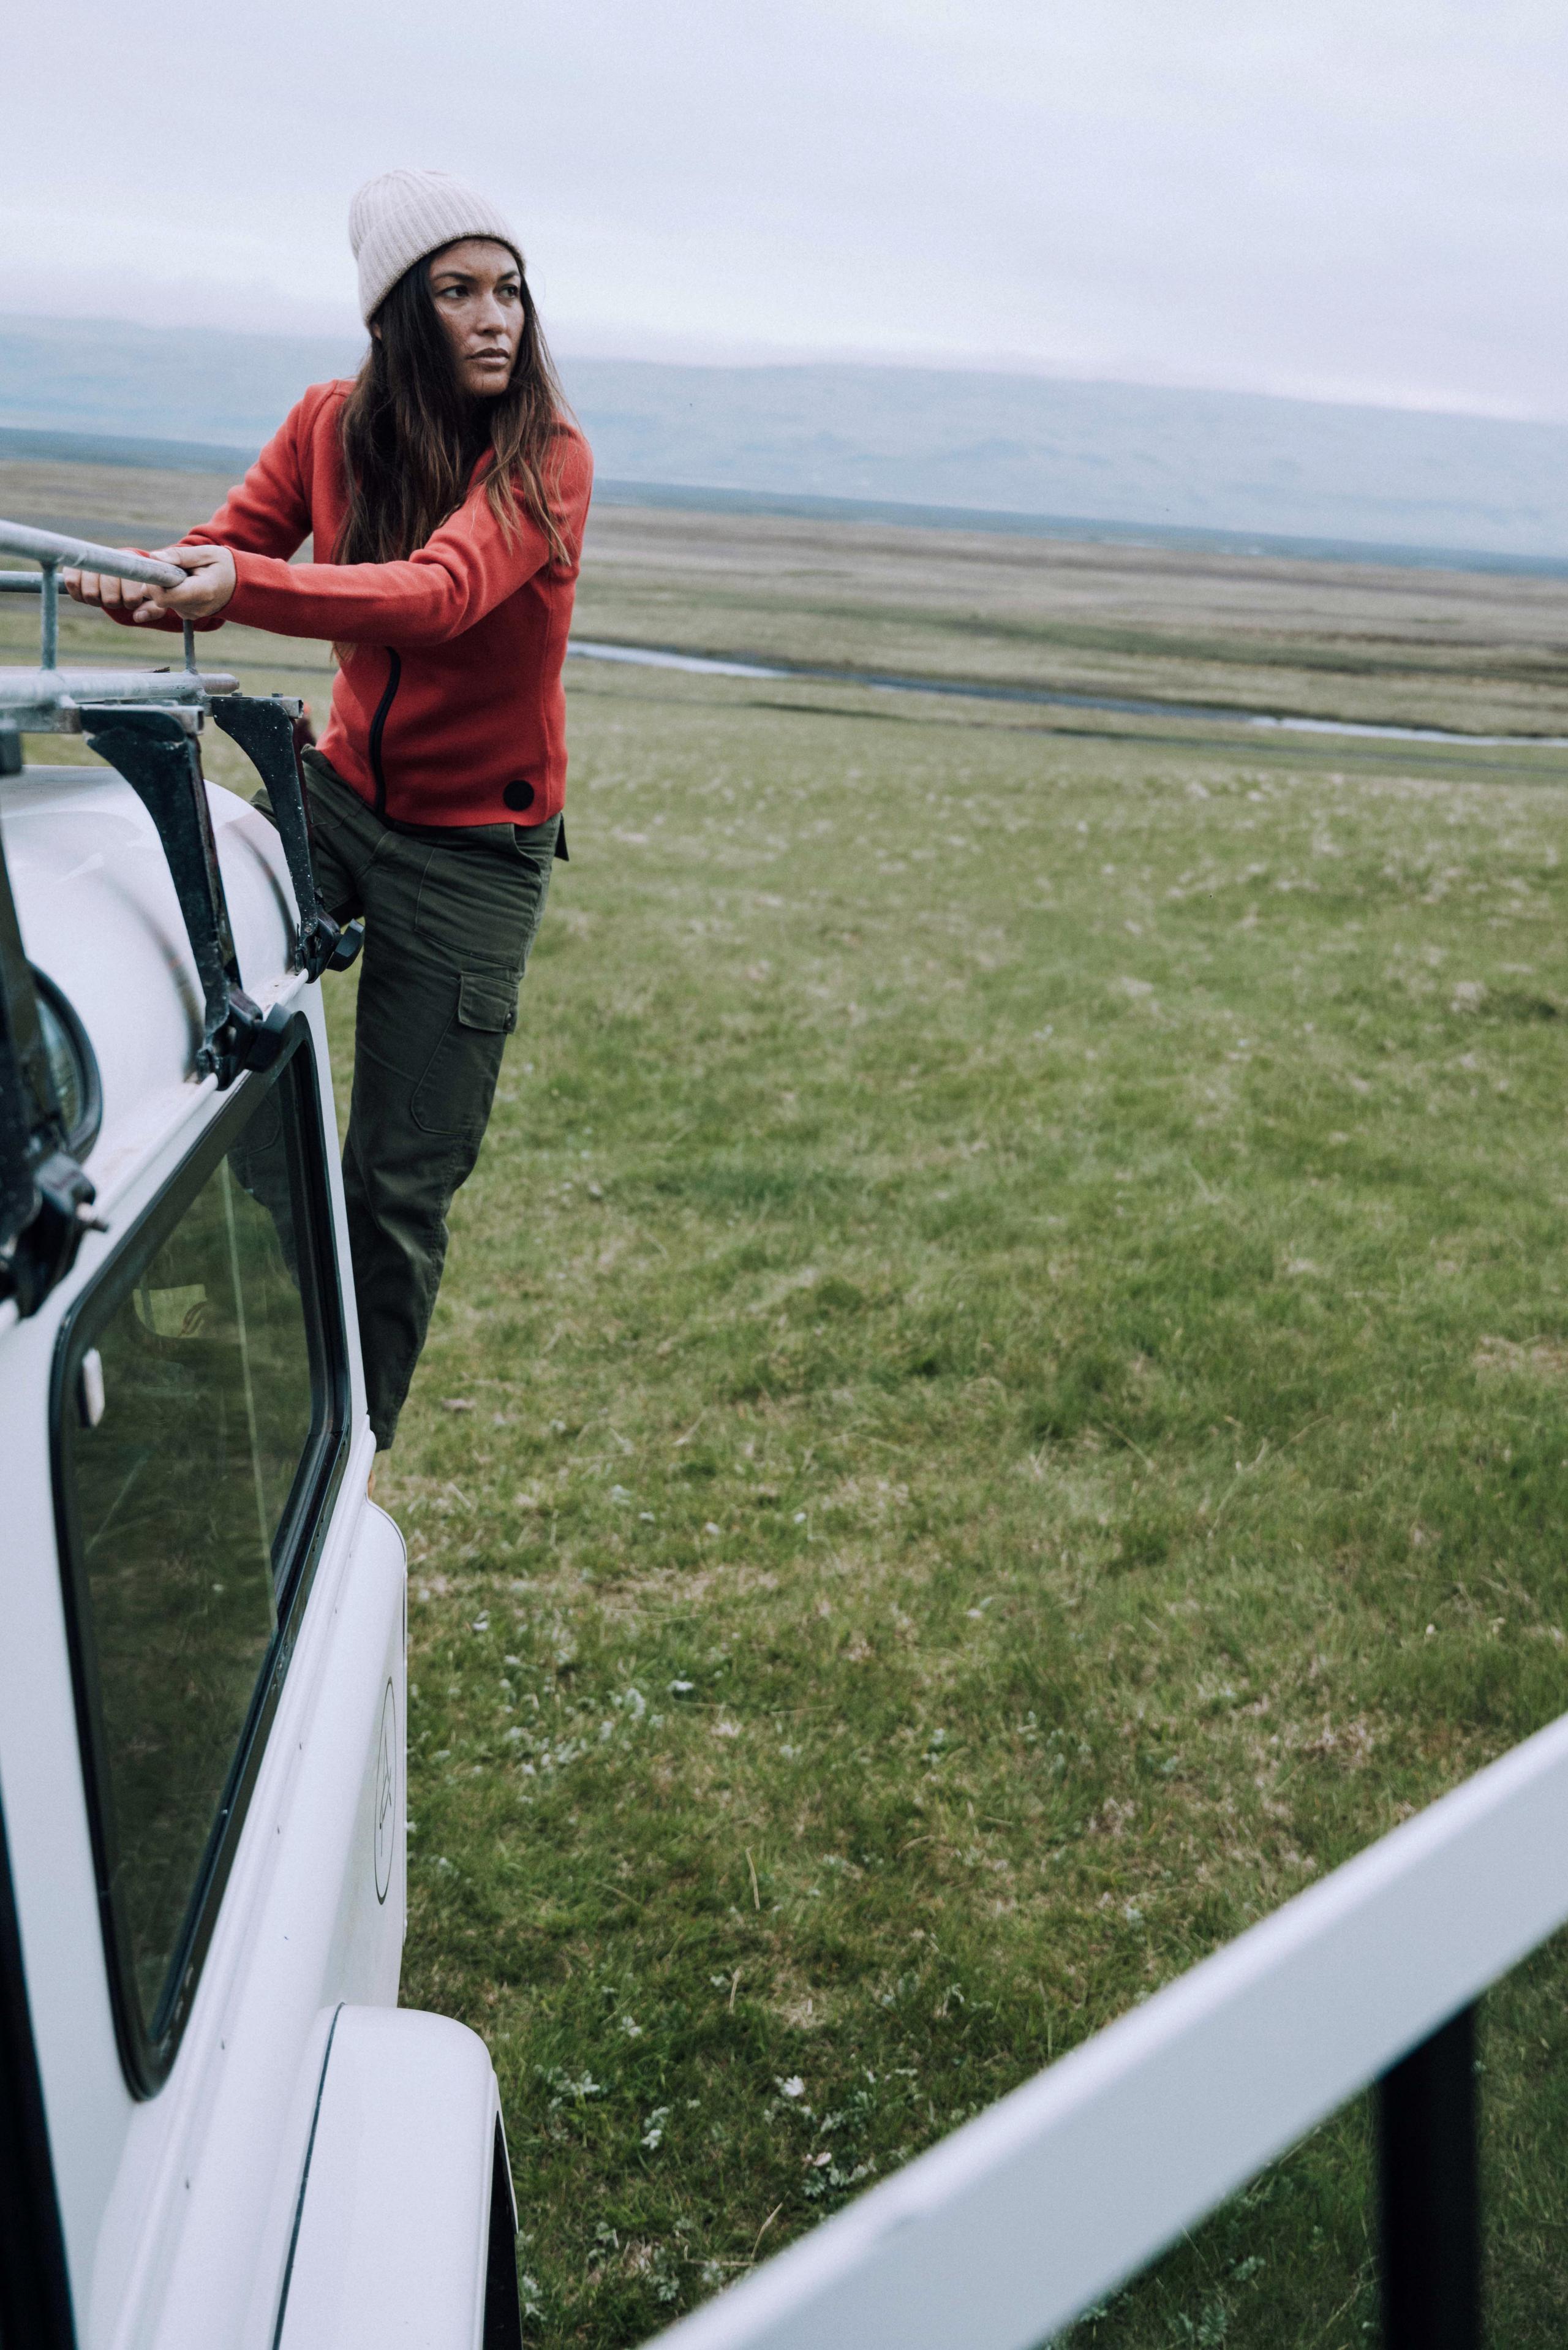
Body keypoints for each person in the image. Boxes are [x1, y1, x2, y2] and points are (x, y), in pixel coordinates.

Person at [65, 168, 594, 1457]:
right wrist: (141, 587)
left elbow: (436, 594)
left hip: (476, 858)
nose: (495, 318)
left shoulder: (548, 464)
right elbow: (223, 540)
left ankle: (347, 1449)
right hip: (336, 800)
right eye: (458, 291)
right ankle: (213, 1339)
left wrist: (236, 587)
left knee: (399, 1189)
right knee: (199, 1050)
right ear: (395, 314)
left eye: (509, 289)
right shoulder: (326, 425)